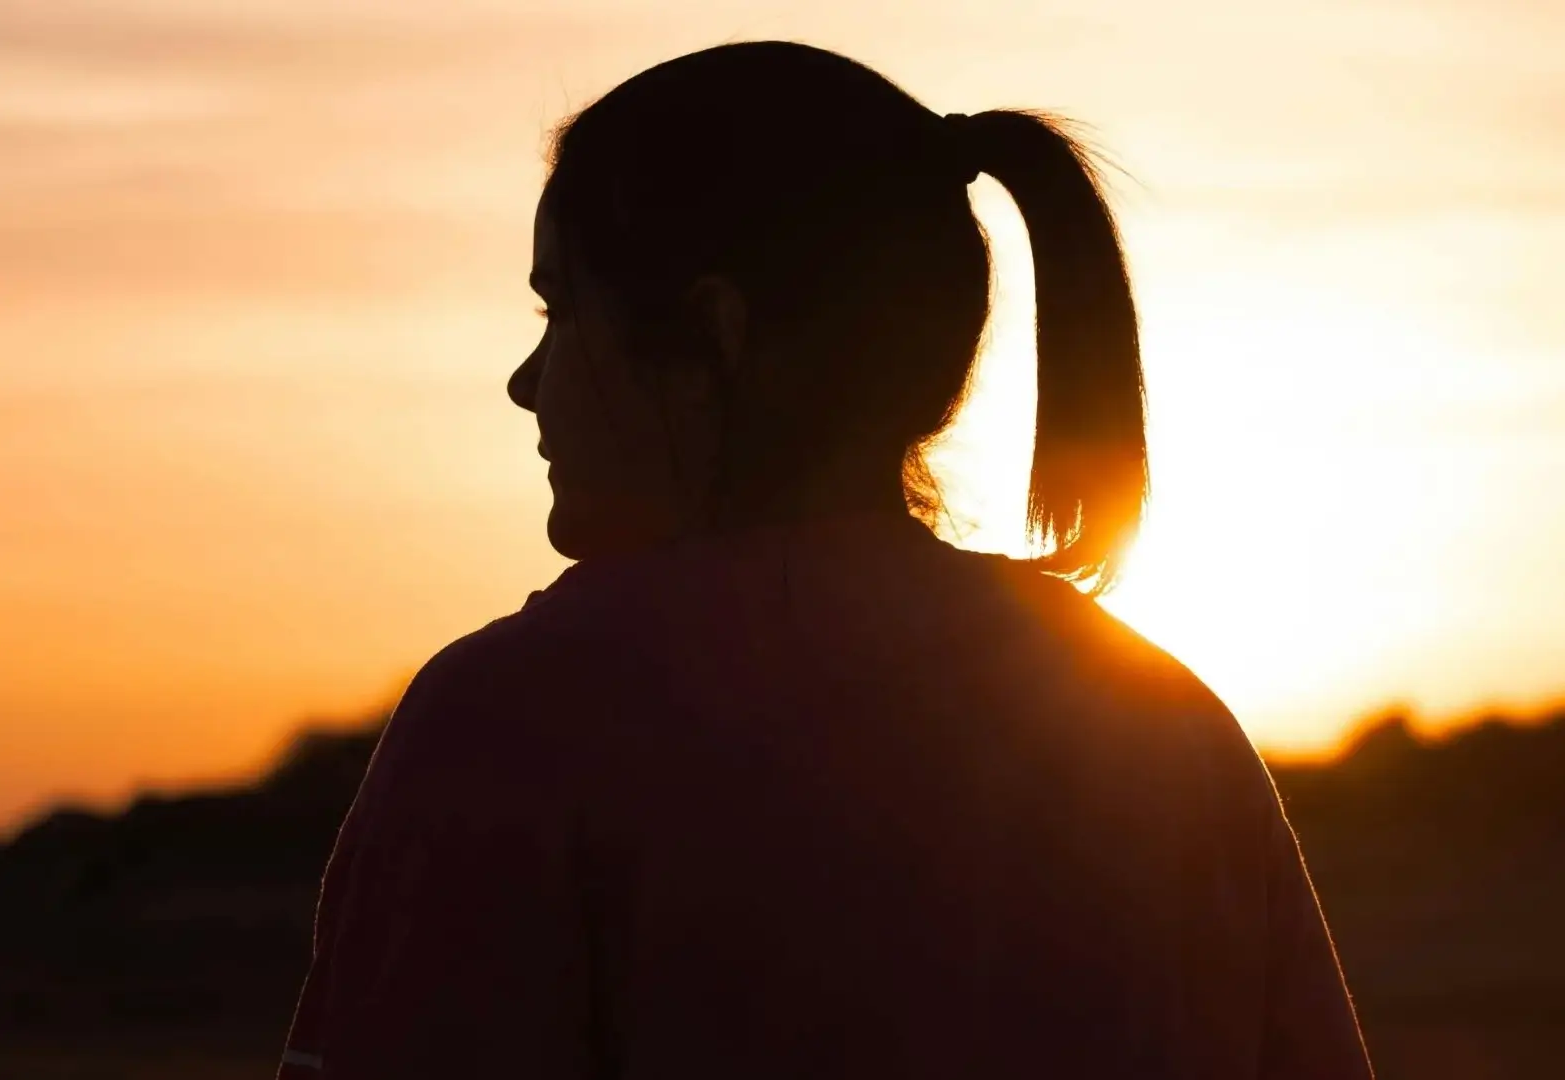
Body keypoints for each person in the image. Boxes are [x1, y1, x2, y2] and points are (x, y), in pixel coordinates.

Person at [279, 41, 1373, 1079]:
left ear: (715, 334)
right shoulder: (1167, 732)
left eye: (561, 309)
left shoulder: (515, 725)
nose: (528, 381)